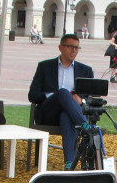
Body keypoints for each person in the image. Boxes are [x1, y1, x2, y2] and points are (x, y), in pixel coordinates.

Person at [28, 33, 93, 169]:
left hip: (71, 113)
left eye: (76, 47)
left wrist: (80, 101)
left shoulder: (85, 70)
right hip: (49, 112)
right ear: (60, 47)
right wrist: (54, 95)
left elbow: (90, 98)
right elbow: (33, 95)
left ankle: (69, 163)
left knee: (66, 114)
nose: (74, 50)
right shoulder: (45, 67)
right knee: (63, 92)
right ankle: (84, 126)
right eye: (70, 46)